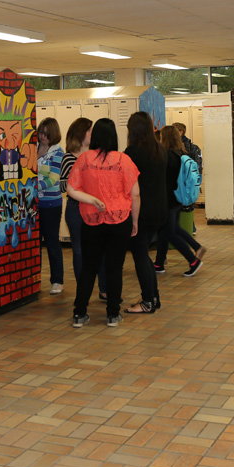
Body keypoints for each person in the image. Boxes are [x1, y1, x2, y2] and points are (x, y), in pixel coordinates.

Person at [67, 118, 140, 328]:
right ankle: (112, 314)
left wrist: (91, 200)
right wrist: (134, 221)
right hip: (120, 220)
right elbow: (135, 195)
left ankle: (79, 314)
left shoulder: (83, 159)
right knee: (114, 268)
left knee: (89, 267)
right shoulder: (124, 160)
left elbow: (71, 189)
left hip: (91, 221)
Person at [123, 112, 167, 314]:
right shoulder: (159, 149)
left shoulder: (132, 153)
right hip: (158, 209)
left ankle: (148, 301)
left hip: (140, 211)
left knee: (140, 256)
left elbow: (129, 187)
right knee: (144, 255)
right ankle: (153, 297)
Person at [61, 118, 106, 300]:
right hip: (76, 210)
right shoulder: (69, 157)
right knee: (79, 251)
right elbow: (64, 186)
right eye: (89, 131)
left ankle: (104, 289)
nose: (92, 134)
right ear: (81, 134)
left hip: (95, 209)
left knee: (100, 249)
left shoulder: (96, 155)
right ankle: (83, 292)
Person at [154, 126, 205, 277]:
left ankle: (193, 261)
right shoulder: (181, 153)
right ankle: (159, 263)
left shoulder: (167, 156)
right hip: (178, 199)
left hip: (168, 199)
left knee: (169, 233)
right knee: (167, 230)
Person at [37, 118, 66, 295]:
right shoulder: (33, 148)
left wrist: (33, 187)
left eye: (46, 134)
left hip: (50, 204)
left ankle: (57, 280)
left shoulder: (58, 152)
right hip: (33, 203)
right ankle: (35, 278)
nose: (43, 137)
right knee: (35, 243)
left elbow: (54, 178)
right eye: (41, 132)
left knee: (52, 242)